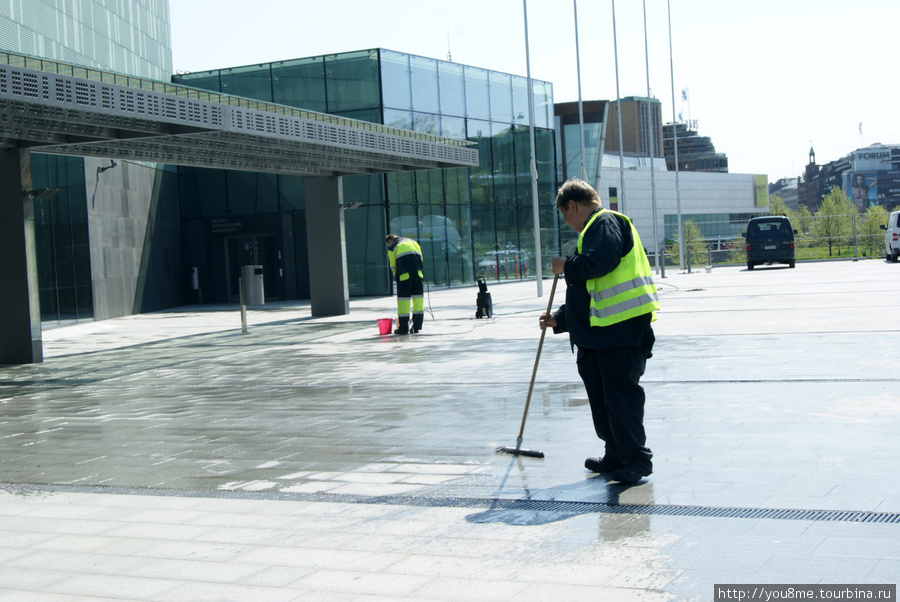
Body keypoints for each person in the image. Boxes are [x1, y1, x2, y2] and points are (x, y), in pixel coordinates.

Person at [539, 178, 659, 484]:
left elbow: (598, 264)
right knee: (604, 399)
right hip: (601, 334)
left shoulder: (604, 222)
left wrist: (564, 266)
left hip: (621, 332)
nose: (567, 223)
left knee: (620, 398)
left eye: (565, 215)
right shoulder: (592, 231)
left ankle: (636, 459)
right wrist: (561, 318)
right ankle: (616, 453)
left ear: (573, 205)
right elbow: (591, 291)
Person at [385, 233, 425, 335]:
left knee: (403, 302)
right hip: (418, 274)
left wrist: (396, 276)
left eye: (388, 244)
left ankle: (403, 329)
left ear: (390, 241)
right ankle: (416, 327)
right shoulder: (413, 242)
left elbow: (393, 265)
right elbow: (421, 259)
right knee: (418, 300)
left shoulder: (393, 247)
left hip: (404, 276)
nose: (388, 246)